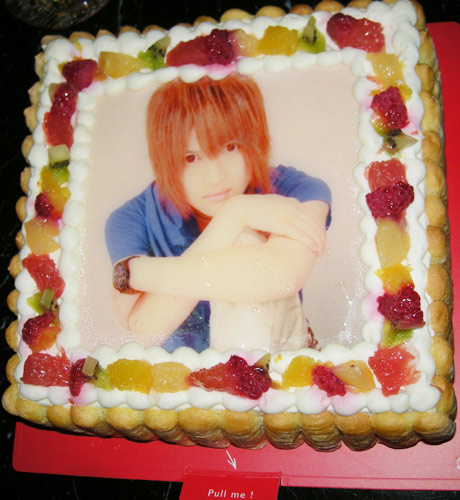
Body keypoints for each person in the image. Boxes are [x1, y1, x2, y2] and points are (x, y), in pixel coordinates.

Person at [105, 73, 331, 353]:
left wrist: (138, 273)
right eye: (190, 158)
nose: (215, 177)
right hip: (184, 376)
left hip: (279, 367)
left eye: (230, 147)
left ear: (257, 140)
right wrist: (235, 215)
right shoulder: (132, 217)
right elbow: (147, 328)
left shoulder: (294, 189)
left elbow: (281, 276)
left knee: (247, 243)